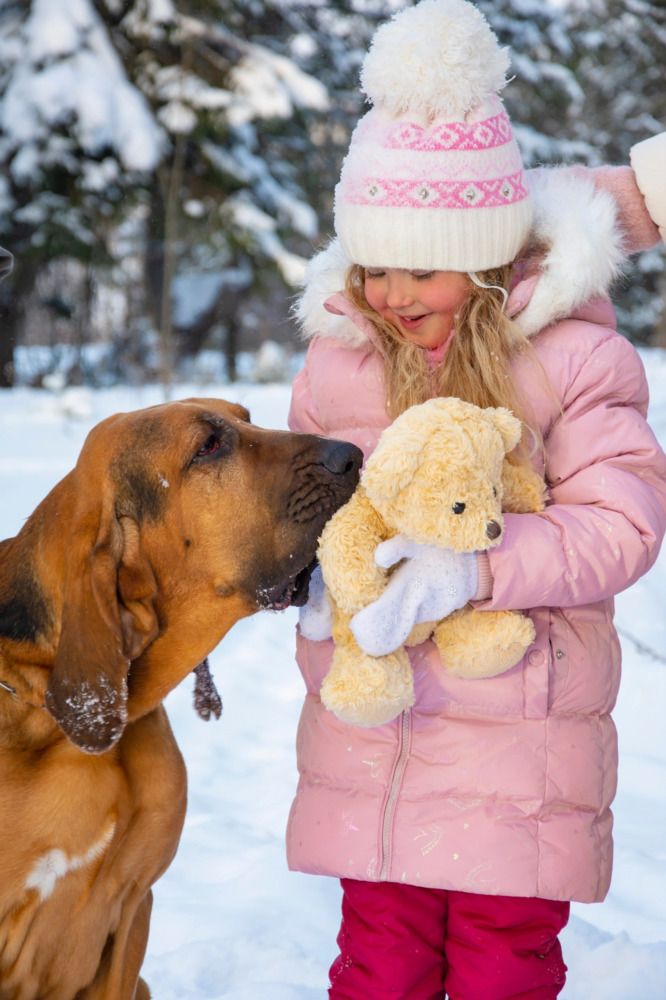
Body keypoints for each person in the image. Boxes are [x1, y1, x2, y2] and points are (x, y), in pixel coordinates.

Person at [287, 1, 666, 997]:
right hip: (376, 741)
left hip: (519, 740)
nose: (392, 293)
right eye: (372, 266)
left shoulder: (575, 357)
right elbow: (304, 496)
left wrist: (481, 569)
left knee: (503, 969)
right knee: (379, 970)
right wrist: (307, 572)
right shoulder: (337, 360)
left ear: (491, 260)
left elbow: (620, 523)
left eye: (421, 267)